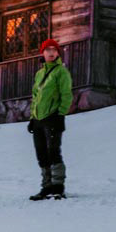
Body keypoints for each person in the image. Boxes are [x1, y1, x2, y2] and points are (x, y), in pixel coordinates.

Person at [27, 37, 73, 199]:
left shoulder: (61, 72)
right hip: (39, 119)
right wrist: (33, 118)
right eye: (47, 50)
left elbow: (66, 95)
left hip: (53, 117)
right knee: (41, 153)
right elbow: (35, 96)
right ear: (43, 53)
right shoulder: (39, 74)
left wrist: (61, 114)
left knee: (53, 151)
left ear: (58, 53)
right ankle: (46, 187)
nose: (51, 52)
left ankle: (58, 187)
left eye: (54, 50)